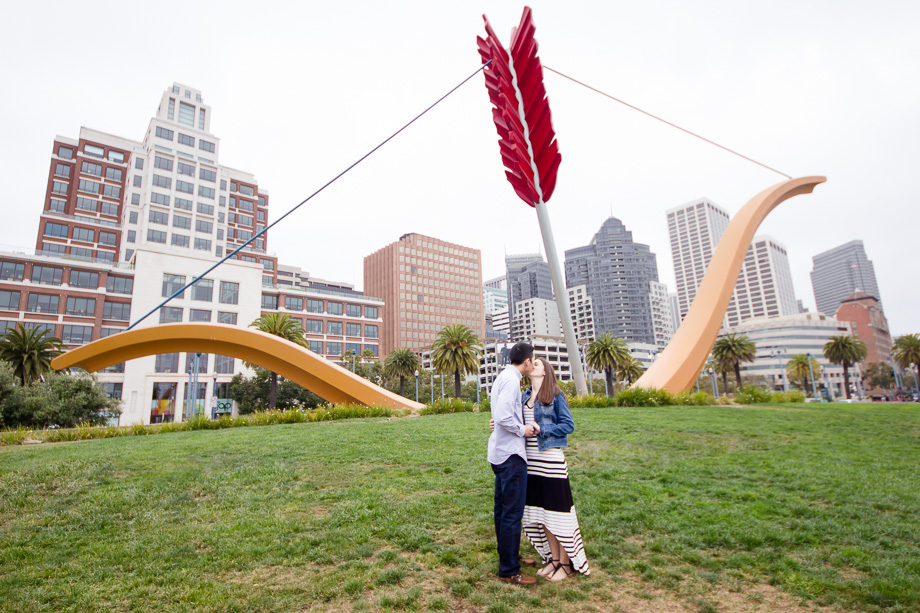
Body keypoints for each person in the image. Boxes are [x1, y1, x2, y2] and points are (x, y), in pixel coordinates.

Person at [491, 357, 590, 582]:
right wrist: (497, 422)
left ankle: (565, 564)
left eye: (537, 364)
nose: (532, 365)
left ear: (545, 372)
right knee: (544, 515)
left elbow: (568, 425)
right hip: (531, 461)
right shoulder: (524, 395)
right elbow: (512, 421)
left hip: (551, 461)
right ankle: (553, 560)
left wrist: (541, 428)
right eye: (531, 362)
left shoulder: (555, 395)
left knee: (558, 514)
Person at [487, 341, 539, 585]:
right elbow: (503, 416)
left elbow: (498, 416)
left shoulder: (502, 377)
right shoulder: (512, 381)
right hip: (511, 456)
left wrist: (502, 422)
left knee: (502, 511)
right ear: (527, 361)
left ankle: (509, 555)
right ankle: (509, 570)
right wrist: (524, 429)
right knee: (511, 513)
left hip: (499, 453)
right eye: (533, 360)